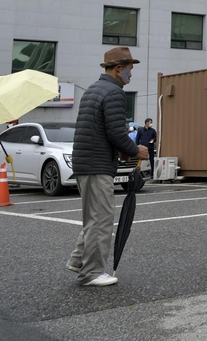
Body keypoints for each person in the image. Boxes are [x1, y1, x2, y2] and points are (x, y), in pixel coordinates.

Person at [68, 47, 148, 286]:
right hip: (97, 164)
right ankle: (91, 272)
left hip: (86, 162)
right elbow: (115, 131)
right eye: (130, 70)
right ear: (119, 69)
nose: (131, 75)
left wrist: (121, 150)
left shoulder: (93, 89)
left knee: (93, 217)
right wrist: (135, 150)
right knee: (101, 219)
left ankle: (78, 261)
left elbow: (101, 130)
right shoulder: (113, 92)